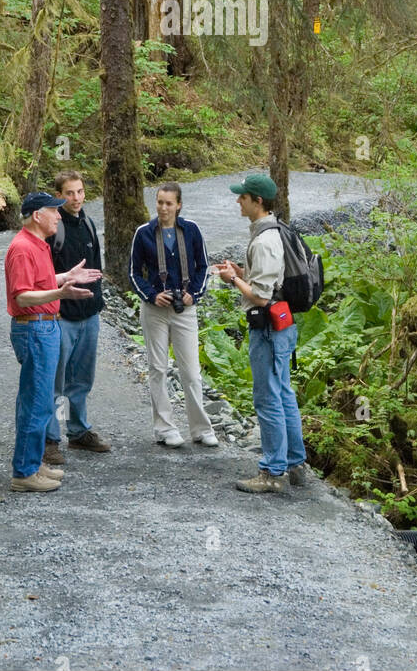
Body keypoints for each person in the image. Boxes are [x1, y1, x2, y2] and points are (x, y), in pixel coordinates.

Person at [213, 172, 310, 493]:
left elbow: (262, 296)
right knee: (284, 393)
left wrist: (232, 280)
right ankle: (296, 464)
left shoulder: (266, 239)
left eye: (243, 197)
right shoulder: (276, 231)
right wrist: (244, 273)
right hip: (283, 325)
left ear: (258, 201)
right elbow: (269, 281)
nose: (238, 201)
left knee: (267, 398)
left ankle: (271, 472)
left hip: (268, 328)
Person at [4, 192, 101, 493]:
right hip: (34, 329)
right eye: (53, 211)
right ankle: (24, 472)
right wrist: (59, 294)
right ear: (37, 215)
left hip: (45, 328)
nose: (59, 216)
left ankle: (32, 463)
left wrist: (63, 277)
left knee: (41, 399)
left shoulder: (37, 244)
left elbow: (38, 283)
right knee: (35, 402)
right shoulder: (22, 248)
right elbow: (22, 296)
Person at [129, 183, 218, 448]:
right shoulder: (143, 233)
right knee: (158, 368)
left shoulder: (191, 230)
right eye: (160, 202)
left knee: (191, 371)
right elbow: (133, 272)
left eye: (169, 203)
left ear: (179, 205)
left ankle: (201, 428)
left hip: (185, 310)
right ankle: (165, 428)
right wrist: (151, 295)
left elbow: (203, 266)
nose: (164, 208)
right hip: (155, 309)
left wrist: (194, 294)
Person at [44, 171, 111, 462]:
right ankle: (49, 439)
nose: (76, 198)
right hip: (62, 317)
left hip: (89, 315)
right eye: (70, 193)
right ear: (59, 195)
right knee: (54, 382)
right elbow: (42, 277)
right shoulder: (52, 229)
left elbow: (96, 265)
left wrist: (98, 300)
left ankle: (78, 431)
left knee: (81, 379)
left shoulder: (88, 222)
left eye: (80, 192)